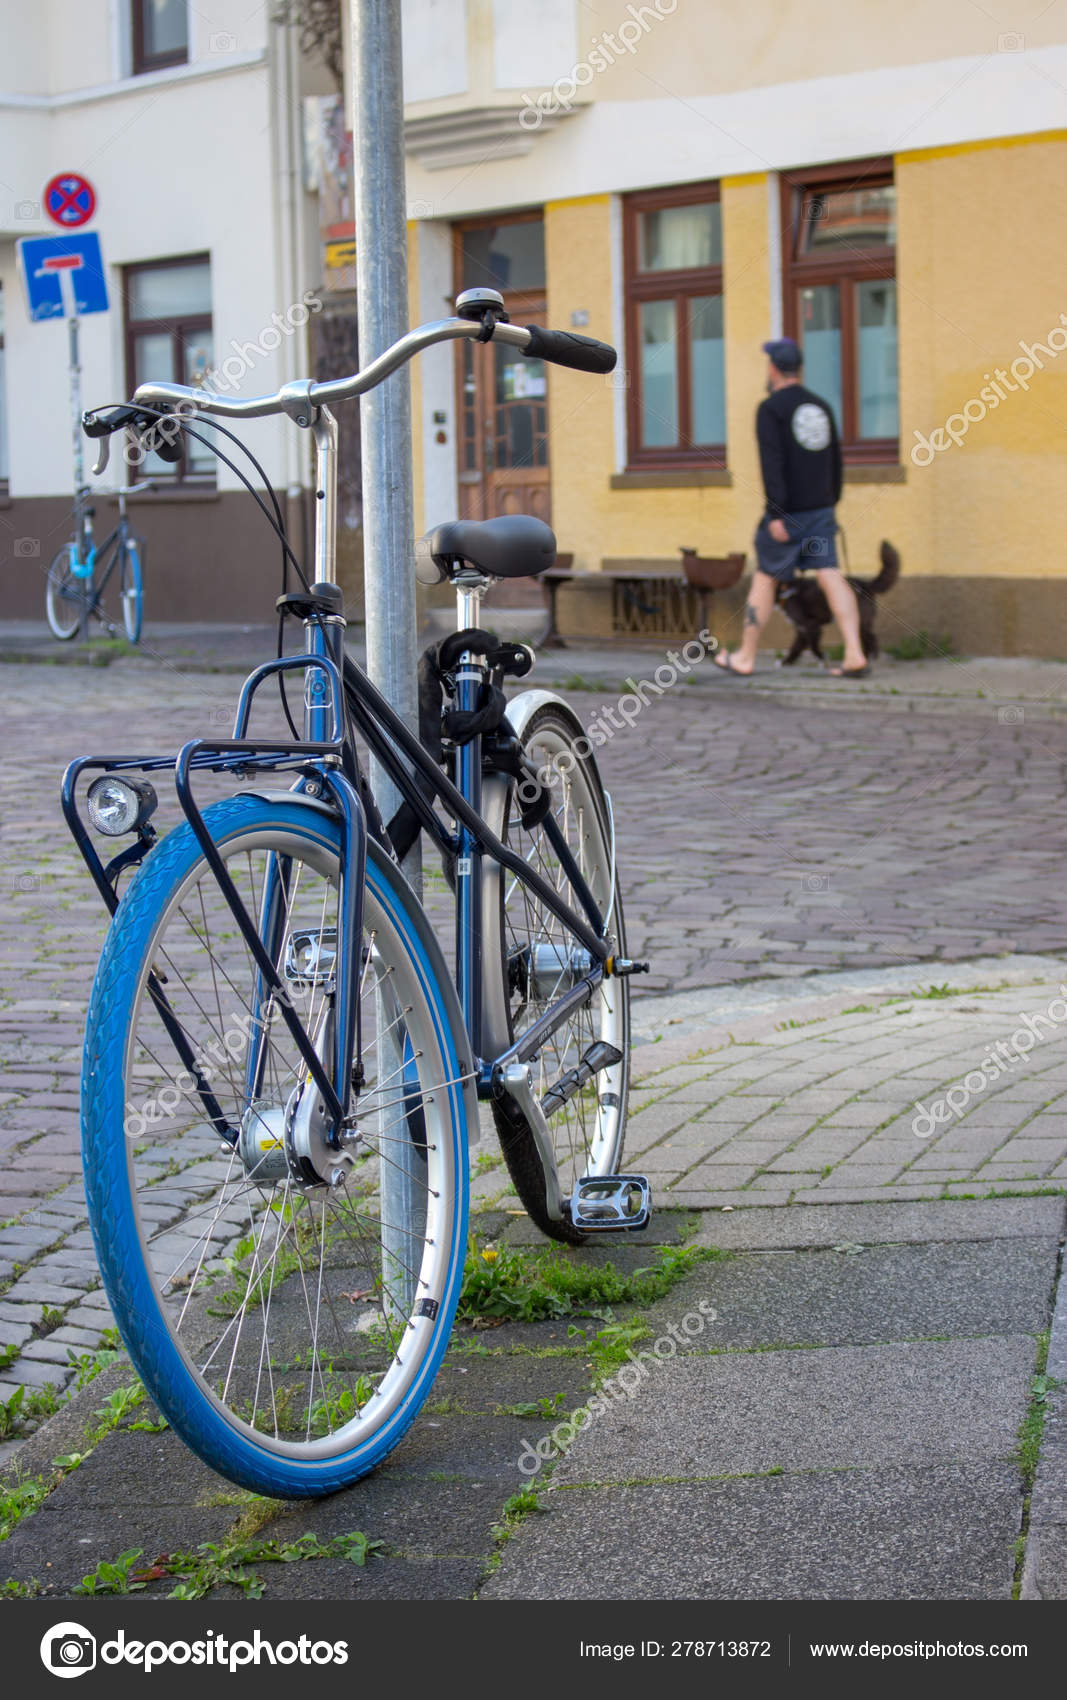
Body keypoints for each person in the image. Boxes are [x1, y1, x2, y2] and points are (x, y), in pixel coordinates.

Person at [714, 337, 868, 678]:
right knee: (830, 574)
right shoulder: (822, 406)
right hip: (821, 509)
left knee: (766, 579)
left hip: (788, 514)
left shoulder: (771, 409)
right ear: (799, 368)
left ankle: (745, 657)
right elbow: (836, 461)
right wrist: (831, 501)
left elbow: (773, 464)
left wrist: (775, 512)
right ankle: (855, 653)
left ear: (772, 369)